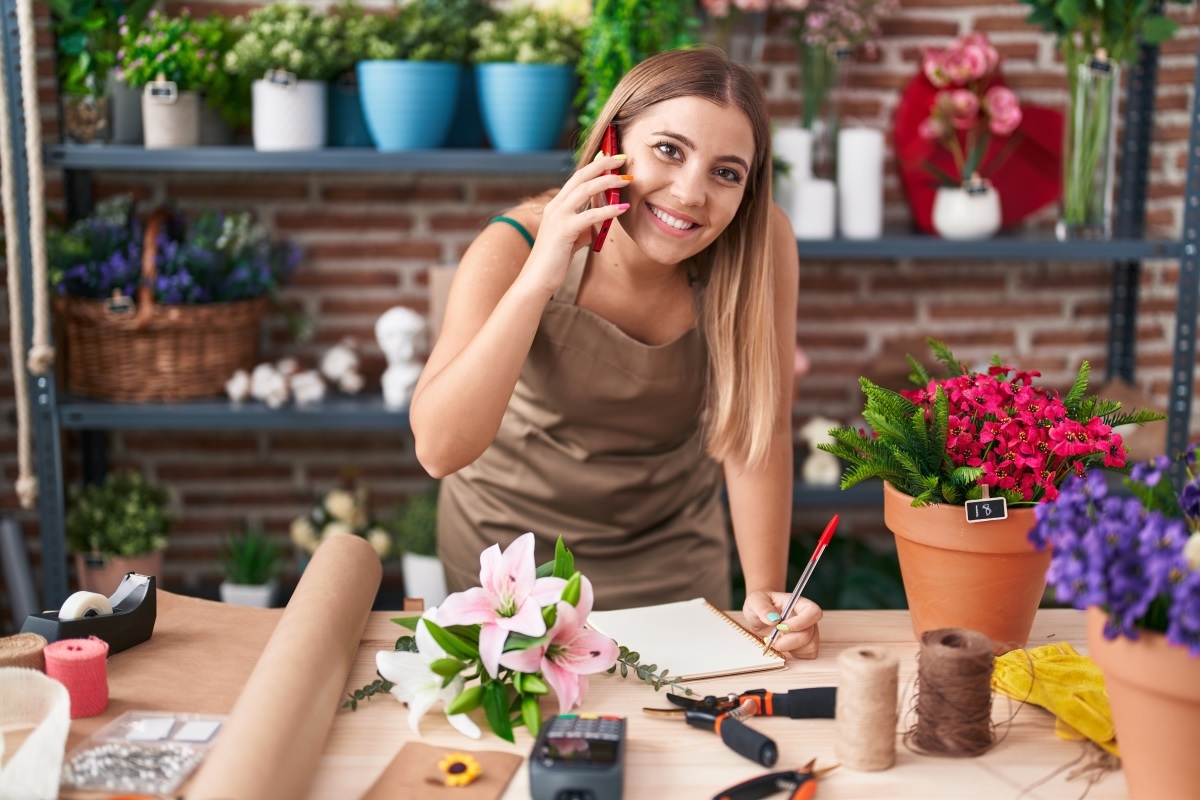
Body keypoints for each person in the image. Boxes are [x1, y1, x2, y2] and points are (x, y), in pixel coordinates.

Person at [409, 46, 820, 658]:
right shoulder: (512, 244)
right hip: (511, 557)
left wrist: (766, 602)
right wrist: (539, 278)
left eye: (726, 172)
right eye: (669, 150)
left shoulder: (759, 245)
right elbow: (440, 450)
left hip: (671, 554)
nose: (689, 192)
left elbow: (755, 426)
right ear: (611, 142)